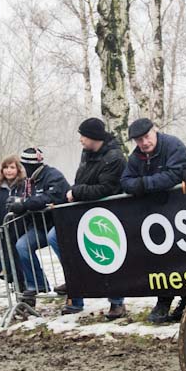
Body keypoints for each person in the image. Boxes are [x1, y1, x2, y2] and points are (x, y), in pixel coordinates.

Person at [52, 118, 128, 318]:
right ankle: (75, 285)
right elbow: (81, 179)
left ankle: (116, 302)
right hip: (83, 210)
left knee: (107, 254)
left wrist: (77, 192)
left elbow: (107, 188)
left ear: (94, 137)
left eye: (83, 136)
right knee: (55, 237)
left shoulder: (114, 157)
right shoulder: (87, 153)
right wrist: (73, 192)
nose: (80, 140)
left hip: (106, 213)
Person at [120, 117, 186, 323]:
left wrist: (144, 184)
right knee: (160, 261)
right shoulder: (136, 157)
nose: (144, 143)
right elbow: (125, 181)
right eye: (139, 140)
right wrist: (145, 184)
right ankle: (163, 302)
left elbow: (176, 174)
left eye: (146, 137)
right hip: (155, 217)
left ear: (155, 131)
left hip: (181, 213)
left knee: (184, 259)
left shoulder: (173, 146)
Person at [7, 147, 70, 309]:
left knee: (53, 239)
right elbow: (27, 200)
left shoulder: (53, 176)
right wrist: (18, 203)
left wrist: (24, 204)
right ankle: (36, 283)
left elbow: (51, 197)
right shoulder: (28, 181)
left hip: (59, 223)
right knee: (22, 245)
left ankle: (72, 279)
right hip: (39, 225)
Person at [0, 155, 25, 289]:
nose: (8, 171)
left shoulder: (23, 186)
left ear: (18, 169)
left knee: (21, 261)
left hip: (20, 231)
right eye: (6, 167)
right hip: (4, 232)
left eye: (12, 167)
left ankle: (26, 290)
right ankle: (18, 291)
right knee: (9, 264)